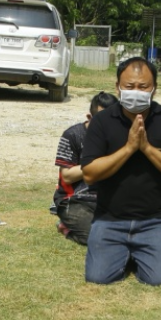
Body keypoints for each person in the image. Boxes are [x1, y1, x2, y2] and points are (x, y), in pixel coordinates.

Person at [80, 58, 161, 285]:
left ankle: (139, 253)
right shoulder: (102, 121)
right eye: (129, 86)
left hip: (156, 220)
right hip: (110, 219)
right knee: (98, 277)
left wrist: (147, 148)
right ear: (118, 87)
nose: (136, 92)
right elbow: (90, 174)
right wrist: (129, 148)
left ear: (154, 88)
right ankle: (123, 252)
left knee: (159, 279)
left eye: (143, 87)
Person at [53, 91, 115, 245]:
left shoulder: (121, 136)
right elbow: (67, 176)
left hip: (110, 200)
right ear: (89, 117)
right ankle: (66, 228)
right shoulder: (72, 135)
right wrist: (97, 163)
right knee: (100, 239)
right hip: (76, 201)